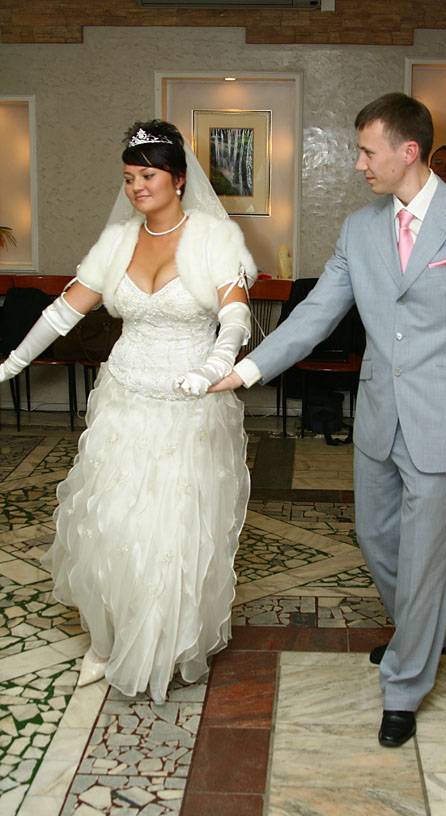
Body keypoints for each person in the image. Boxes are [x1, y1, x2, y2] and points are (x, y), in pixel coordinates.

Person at [211, 93, 446, 746]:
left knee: (425, 560)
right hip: (379, 418)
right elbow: (316, 314)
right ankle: (429, 630)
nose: (359, 163)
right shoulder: (360, 229)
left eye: (367, 151)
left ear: (407, 150)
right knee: (375, 537)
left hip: (444, 418)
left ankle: (405, 683)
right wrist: (247, 370)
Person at [0, 120, 257, 703]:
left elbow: (236, 315)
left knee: (170, 526)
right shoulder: (117, 242)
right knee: (112, 521)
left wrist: (214, 365)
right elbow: (63, 311)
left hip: (188, 404)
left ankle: (160, 642)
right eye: (128, 177)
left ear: (179, 179)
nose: (137, 186)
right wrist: (10, 363)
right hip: (124, 399)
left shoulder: (213, 238)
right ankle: (107, 637)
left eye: (147, 175)